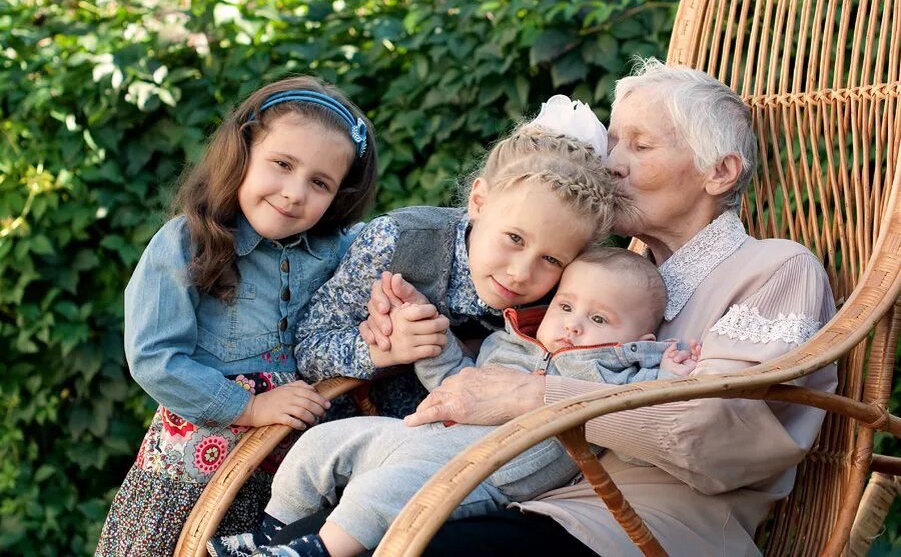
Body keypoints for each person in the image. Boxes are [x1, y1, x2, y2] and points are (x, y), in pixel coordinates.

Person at [272, 58, 838, 556]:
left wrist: (533, 397)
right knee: (316, 529)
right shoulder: (602, 272)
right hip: (512, 490)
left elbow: (721, 434)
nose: (612, 163)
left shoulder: (776, 268)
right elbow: (506, 354)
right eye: (613, 143)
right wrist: (405, 335)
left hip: (635, 529)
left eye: (640, 146)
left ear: (720, 171)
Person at [204, 94, 620, 557]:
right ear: (479, 201)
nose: (522, 272)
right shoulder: (400, 243)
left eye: (551, 258)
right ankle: (271, 539)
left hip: (470, 458)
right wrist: (384, 351)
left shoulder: (565, 295)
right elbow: (309, 345)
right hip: (366, 425)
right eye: (514, 239)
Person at [210, 248, 700, 556]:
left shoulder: (618, 375)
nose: (573, 325)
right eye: (567, 307)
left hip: (480, 473)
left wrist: (663, 375)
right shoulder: (513, 343)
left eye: (600, 320)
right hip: (418, 432)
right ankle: (272, 534)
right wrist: (434, 337)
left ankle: (318, 551)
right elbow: (456, 382)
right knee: (322, 442)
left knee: (385, 492)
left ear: (640, 338)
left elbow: (634, 444)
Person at [95, 76, 379, 556]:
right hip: (194, 475)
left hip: (291, 476)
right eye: (282, 165)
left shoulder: (341, 254)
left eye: (320, 182)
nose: (294, 193)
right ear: (243, 152)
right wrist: (248, 408)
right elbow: (154, 358)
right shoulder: (187, 242)